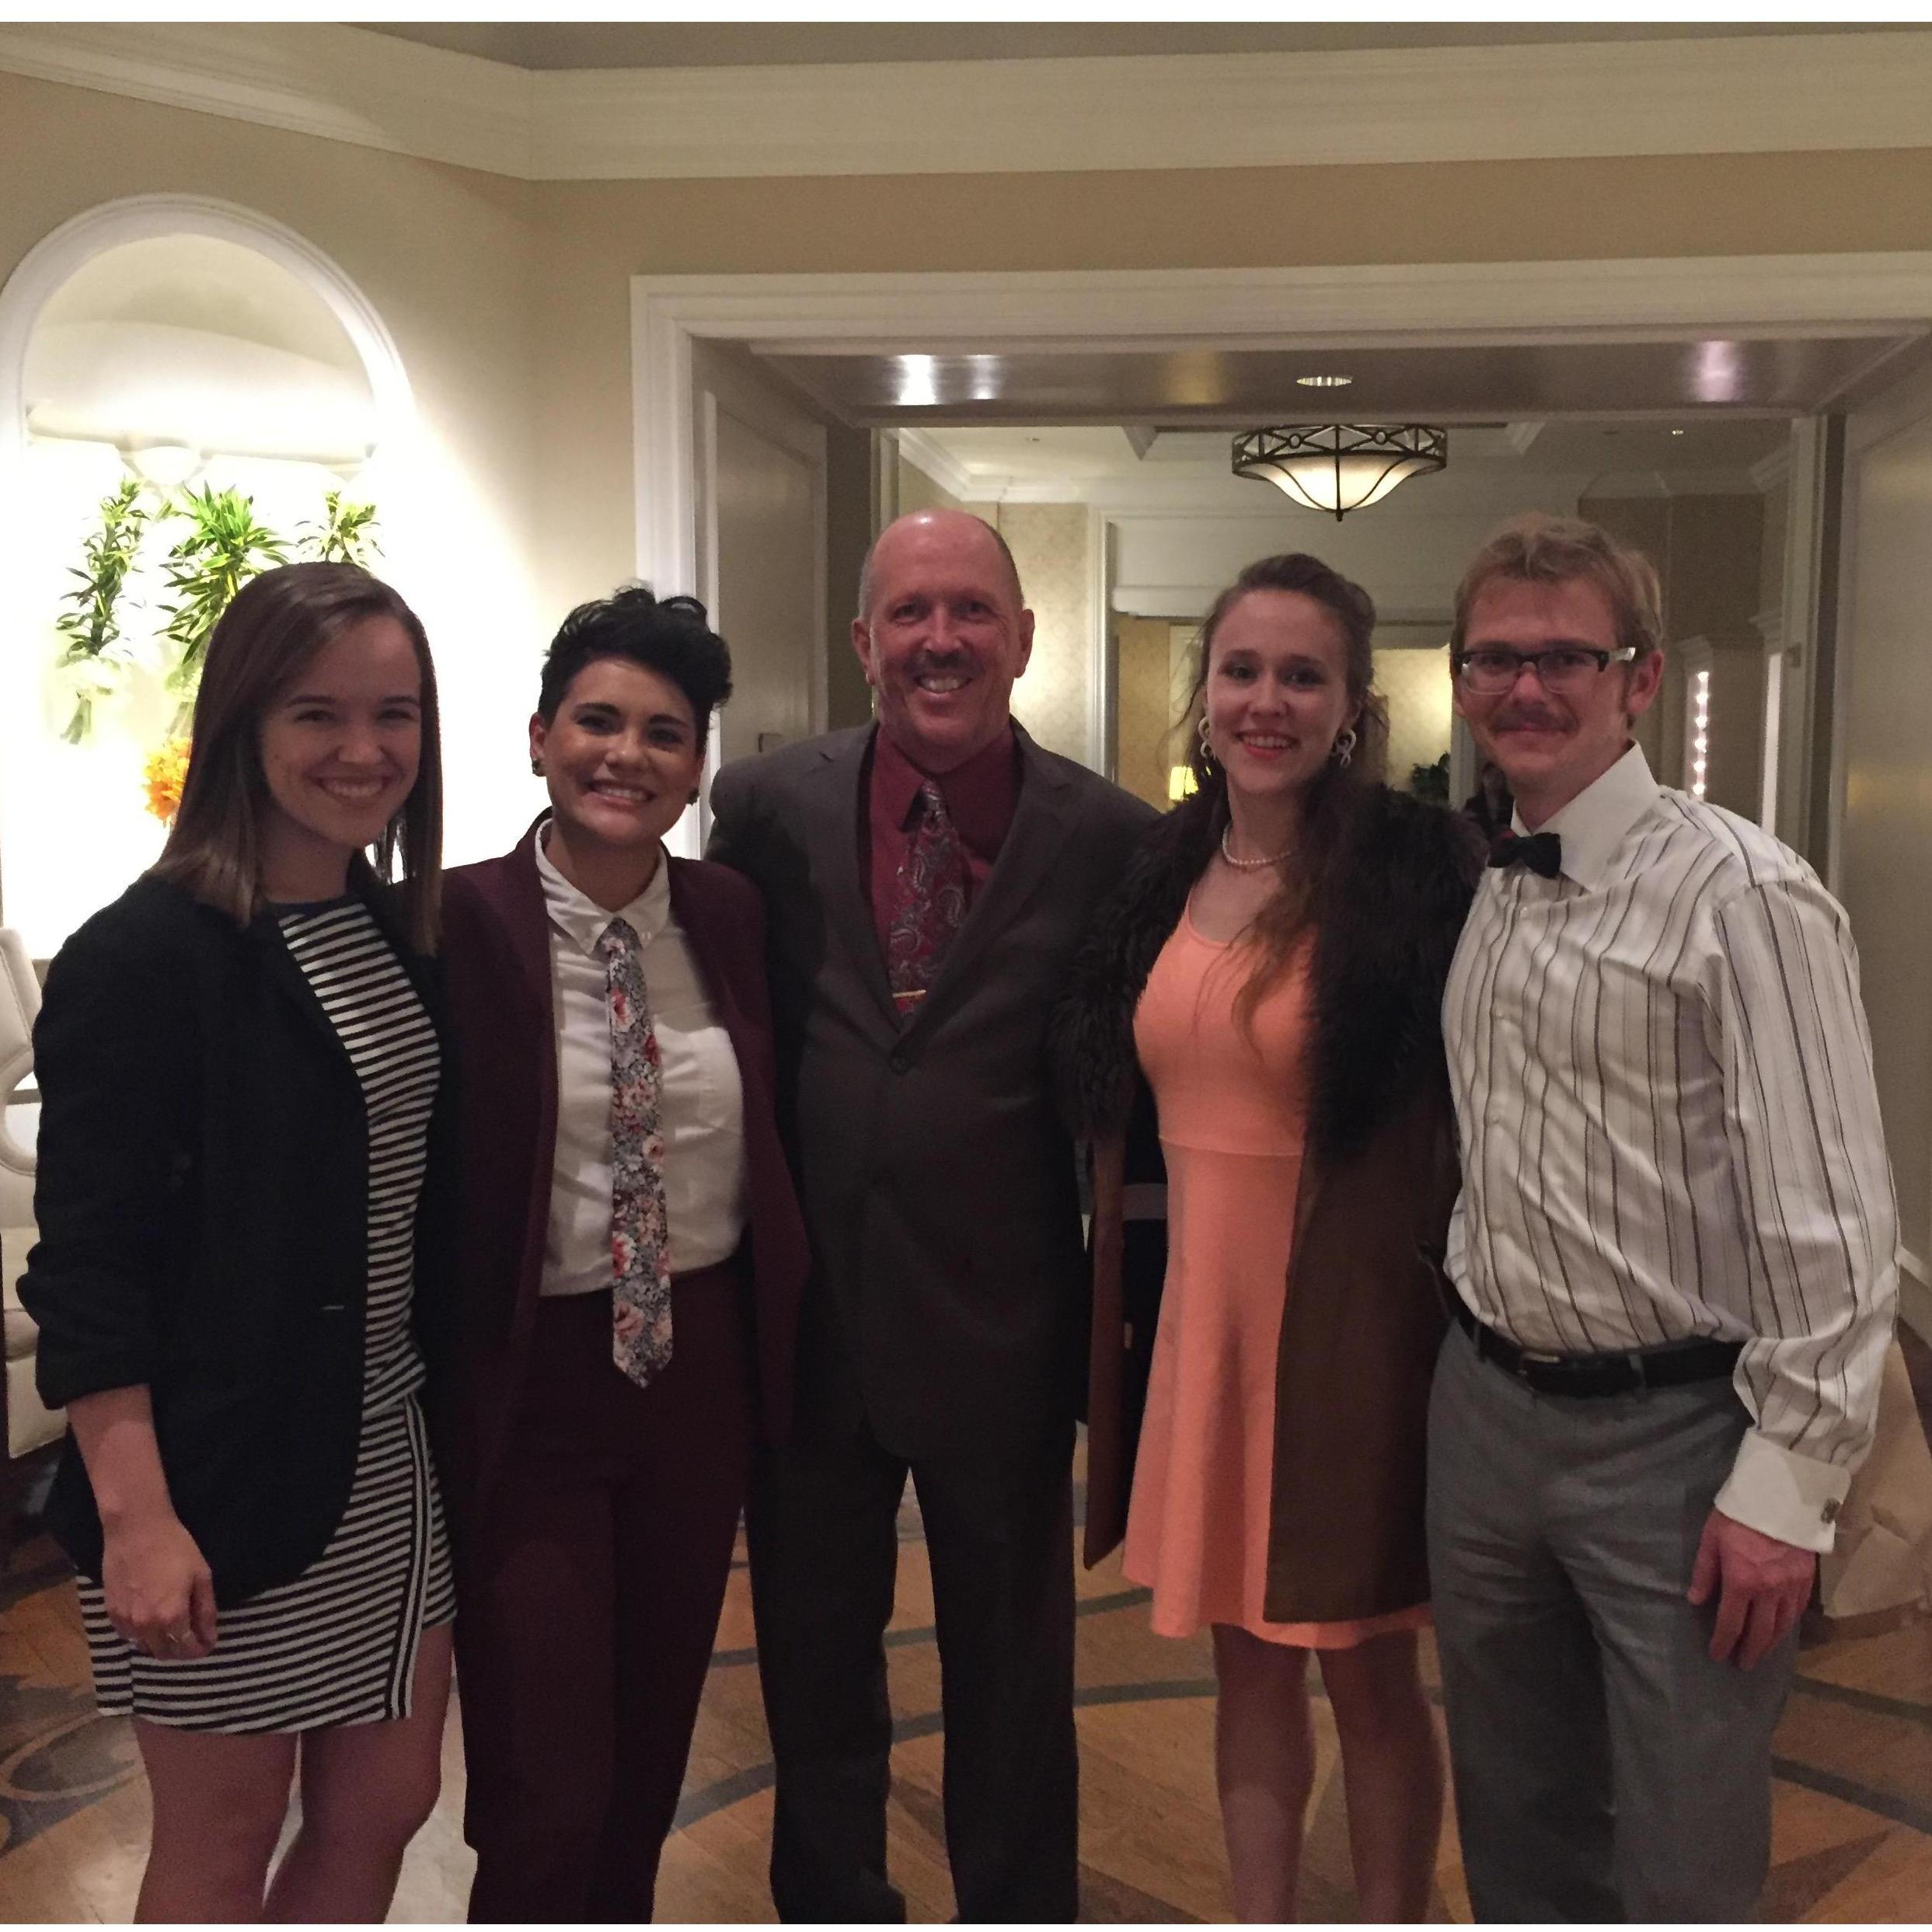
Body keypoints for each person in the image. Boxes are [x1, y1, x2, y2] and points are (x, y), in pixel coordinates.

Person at [1429, 512, 1899, 1921]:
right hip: (1485, 1413)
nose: (1526, 687)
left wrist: (1785, 1490)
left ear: (1638, 680)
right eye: (1495, 659)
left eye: (1564, 656)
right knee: (1515, 1808)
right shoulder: (1491, 880)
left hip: (1682, 1442)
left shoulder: (1745, 894)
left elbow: (1836, 1221)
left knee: (1688, 1835)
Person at [706, 508, 1153, 1921]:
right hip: (811, 1328)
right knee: (813, 1672)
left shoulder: (1118, 839)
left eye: (971, 610)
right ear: (862, 643)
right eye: (909, 613)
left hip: (1006, 1331)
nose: (940, 638)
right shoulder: (760, 807)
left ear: (1022, 639)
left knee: (1015, 1689)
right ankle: (830, 1905)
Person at [20, 562, 455, 1921]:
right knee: (220, 1840)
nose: (364, 750)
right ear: (242, 728)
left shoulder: (389, 928)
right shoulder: (143, 957)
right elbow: (87, 1269)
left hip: (385, 1447)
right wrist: (140, 1519)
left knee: (387, 1805)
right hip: (213, 1472)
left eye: (396, 714)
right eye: (318, 713)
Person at [1054, 553, 1483, 1921]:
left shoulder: (1415, 883)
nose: (1268, 701)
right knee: (1243, 1666)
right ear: (1204, 693)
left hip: (1348, 1332)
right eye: (1242, 670)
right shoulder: (1165, 868)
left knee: (1363, 1669)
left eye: (1304, 675)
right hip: (1203, 1325)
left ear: (1352, 704)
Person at [434, 588, 810, 1921]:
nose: (626, 754)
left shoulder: (731, 917)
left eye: (664, 732)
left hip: (696, 1377)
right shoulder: (450, 925)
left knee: (651, 1749)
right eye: (597, 720)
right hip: (530, 1389)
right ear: (537, 736)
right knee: (545, 1780)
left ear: (697, 766)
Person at [1459, 759, 1513, 850]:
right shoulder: (1473, 804)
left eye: (1497, 776)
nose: (1493, 780)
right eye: (1489, 776)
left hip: (1505, 848)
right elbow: (1464, 827)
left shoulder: (1511, 803)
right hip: (1478, 846)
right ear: (1483, 778)